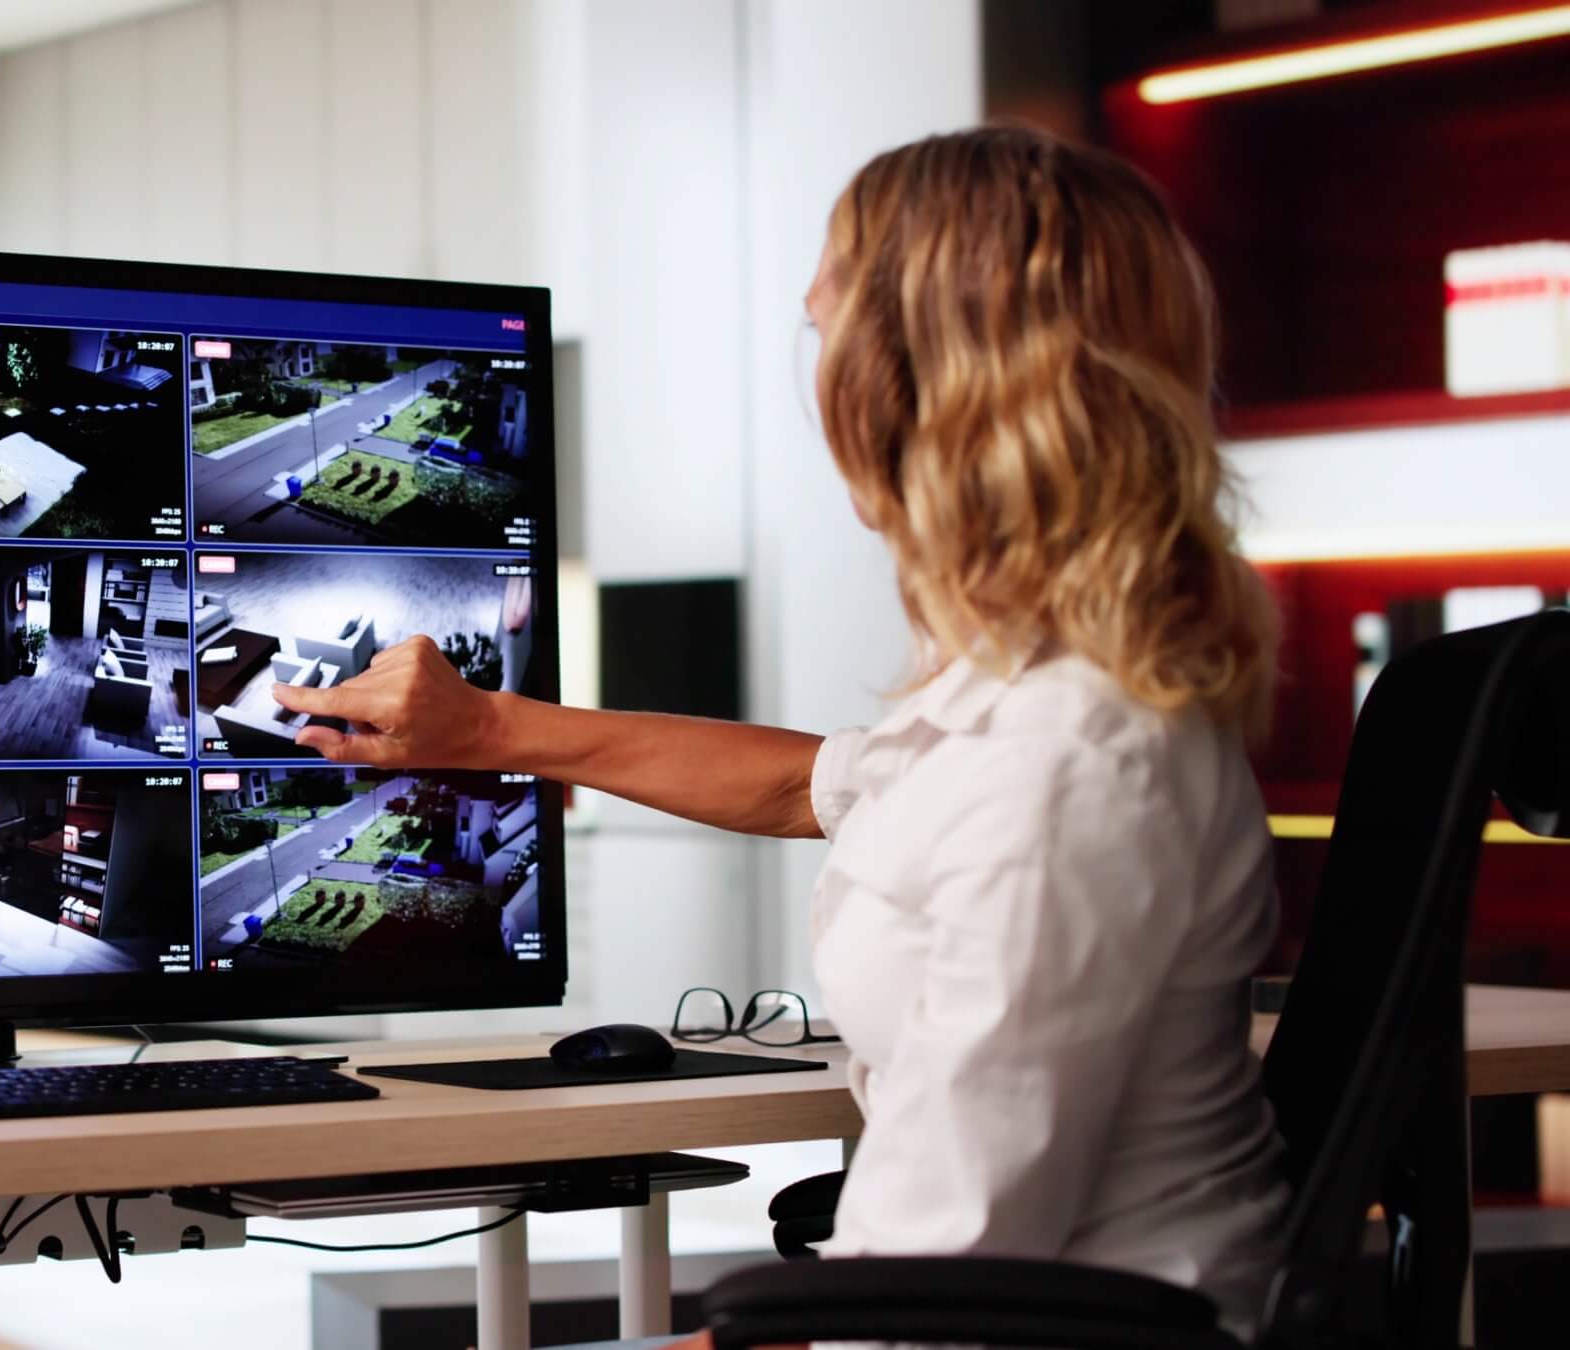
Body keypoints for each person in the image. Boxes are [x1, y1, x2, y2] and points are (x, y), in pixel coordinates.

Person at [273, 125, 1288, 1338]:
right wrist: (488, 726)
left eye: (826, 328)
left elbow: (934, 1259)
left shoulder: (1061, 764)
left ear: (917, 381)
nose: (815, 370)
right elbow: (809, 787)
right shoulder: (1038, 699)